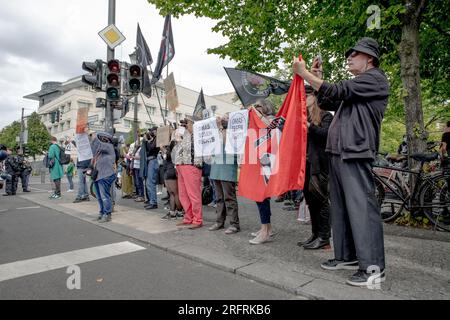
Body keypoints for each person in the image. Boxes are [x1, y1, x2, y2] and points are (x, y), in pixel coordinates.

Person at [293, 37, 389, 286]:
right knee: (341, 208)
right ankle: (347, 256)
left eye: (354, 54)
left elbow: (337, 90)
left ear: (369, 58)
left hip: (355, 151)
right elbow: (327, 100)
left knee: (362, 209)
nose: (349, 57)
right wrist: (317, 78)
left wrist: (305, 75)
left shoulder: (376, 78)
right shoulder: (359, 84)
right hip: (338, 152)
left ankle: (373, 268)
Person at [297, 84, 333, 249]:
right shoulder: (304, 117)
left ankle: (324, 237)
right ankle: (315, 234)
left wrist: (310, 127)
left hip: (320, 165)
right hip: (305, 165)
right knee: (310, 201)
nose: (303, 99)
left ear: (314, 97)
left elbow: (327, 135)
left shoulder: (326, 116)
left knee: (321, 200)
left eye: (307, 95)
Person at [249, 99, 277, 245]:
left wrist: (254, 112)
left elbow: (267, 126)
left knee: (261, 196)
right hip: (259, 159)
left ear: (265, 107)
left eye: (257, 106)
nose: (254, 108)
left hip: (268, 160)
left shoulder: (272, 120)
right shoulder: (257, 120)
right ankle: (267, 228)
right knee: (259, 196)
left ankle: (265, 231)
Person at [208, 115, 241, 234]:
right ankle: (219, 221)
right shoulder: (217, 133)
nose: (222, 119)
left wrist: (222, 129)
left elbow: (230, 146)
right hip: (216, 169)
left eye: (226, 117)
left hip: (227, 169)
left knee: (229, 198)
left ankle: (234, 224)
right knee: (219, 198)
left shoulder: (234, 133)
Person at [174, 115, 203, 229]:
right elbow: (178, 150)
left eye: (189, 123)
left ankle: (197, 219)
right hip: (181, 166)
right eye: (187, 123)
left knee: (193, 194)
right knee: (183, 194)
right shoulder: (185, 134)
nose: (187, 124)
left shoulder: (199, 136)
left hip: (192, 166)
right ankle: (188, 217)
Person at [90, 132, 117, 223]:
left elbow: (97, 144)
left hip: (106, 175)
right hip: (98, 176)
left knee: (104, 196)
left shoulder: (109, 146)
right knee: (99, 197)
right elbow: (92, 149)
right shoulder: (100, 151)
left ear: (105, 139)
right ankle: (102, 213)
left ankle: (107, 214)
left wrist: (94, 137)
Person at [160, 141, 183, 220]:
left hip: (168, 173)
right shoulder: (173, 153)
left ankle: (174, 212)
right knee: (175, 194)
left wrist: (162, 149)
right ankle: (177, 212)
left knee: (172, 194)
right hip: (171, 173)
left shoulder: (169, 153)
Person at [144, 127, 160, 209]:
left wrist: (147, 141)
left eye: (152, 131)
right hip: (150, 162)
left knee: (151, 183)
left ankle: (153, 202)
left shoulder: (158, 139)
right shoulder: (153, 139)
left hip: (153, 161)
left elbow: (151, 148)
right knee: (148, 183)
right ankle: (151, 201)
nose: (150, 132)